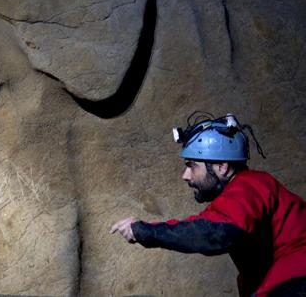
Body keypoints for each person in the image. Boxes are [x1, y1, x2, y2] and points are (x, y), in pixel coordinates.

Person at [110, 112, 306, 297]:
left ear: (222, 167)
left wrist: (145, 231)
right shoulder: (239, 194)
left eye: (192, 166)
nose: (185, 176)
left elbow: (213, 232)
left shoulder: (249, 185)